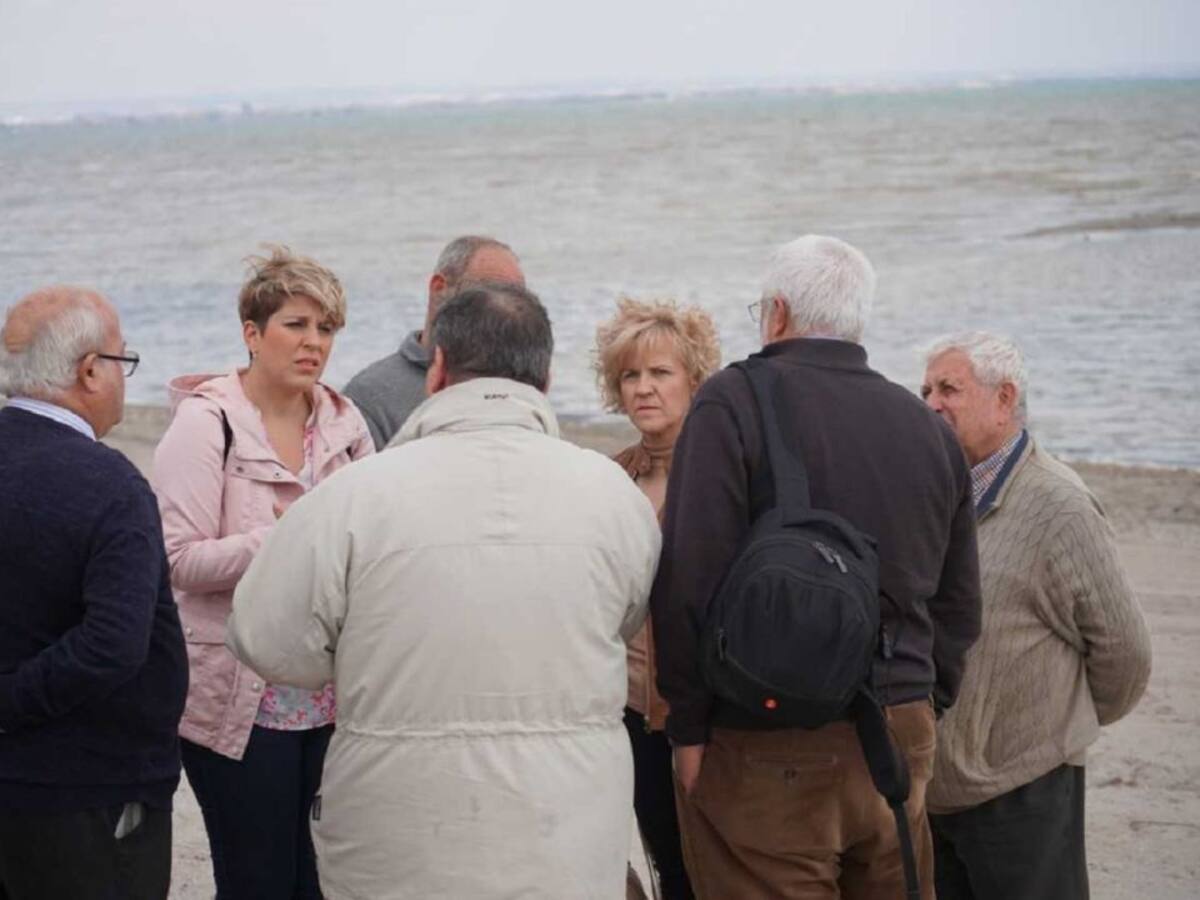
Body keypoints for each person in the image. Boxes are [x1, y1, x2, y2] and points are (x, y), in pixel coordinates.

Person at [226, 283, 661, 899]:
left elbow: (263, 638)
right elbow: (625, 615)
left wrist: (355, 656)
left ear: (437, 371)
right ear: (545, 377)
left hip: (398, 837)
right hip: (567, 827)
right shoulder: (615, 495)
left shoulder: (353, 496)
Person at [650, 235, 982, 900]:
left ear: (775, 313)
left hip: (766, 739)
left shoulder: (731, 401)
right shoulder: (925, 426)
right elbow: (959, 601)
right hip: (898, 729)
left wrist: (687, 726)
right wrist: (923, 698)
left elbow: (690, 581)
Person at [152, 247, 373, 899]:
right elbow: (179, 562)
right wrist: (285, 539)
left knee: (321, 882)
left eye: (326, 328)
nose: (314, 344)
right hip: (234, 699)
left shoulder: (346, 423)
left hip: (333, 695)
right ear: (252, 333)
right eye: (296, 325)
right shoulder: (206, 422)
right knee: (258, 882)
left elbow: (369, 548)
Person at [921, 331, 1152, 900]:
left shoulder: (1059, 505)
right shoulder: (934, 491)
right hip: (934, 787)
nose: (930, 403)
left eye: (949, 388)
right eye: (925, 389)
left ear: (1004, 400)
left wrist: (1052, 728)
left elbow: (1125, 655)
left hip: (1026, 789)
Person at [0, 286, 188, 900]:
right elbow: (112, 644)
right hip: (90, 788)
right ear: (88, 372)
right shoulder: (109, 483)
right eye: (122, 361)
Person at [593, 297, 720, 900]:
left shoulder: (728, 477)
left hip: (712, 718)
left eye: (660, 373)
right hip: (629, 715)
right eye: (630, 375)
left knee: (717, 869)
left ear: (694, 379)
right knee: (667, 867)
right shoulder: (610, 479)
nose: (643, 389)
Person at [343, 234, 525, 448]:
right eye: (488, 293)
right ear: (439, 288)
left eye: (518, 299)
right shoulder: (370, 396)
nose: (503, 308)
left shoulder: (520, 388)